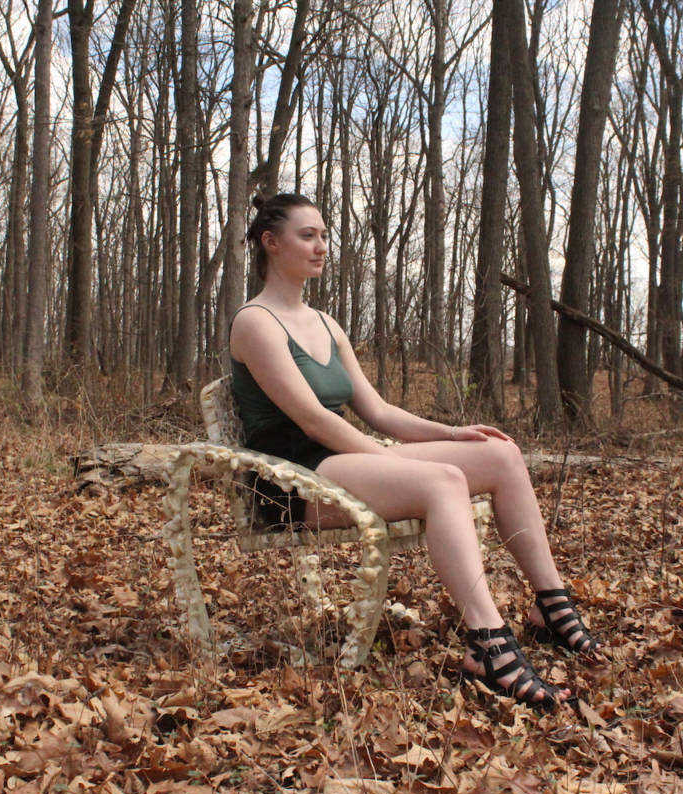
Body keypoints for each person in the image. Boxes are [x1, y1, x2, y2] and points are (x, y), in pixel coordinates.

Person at [229, 193, 600, 711]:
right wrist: (391, 458)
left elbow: (378, 411)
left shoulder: (327, 324)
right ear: (270, 243)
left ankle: (550, 605)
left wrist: (451, 432)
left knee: (500, 454)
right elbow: (312, 419)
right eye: (306, 235)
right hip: (291, 477)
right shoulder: (255, 322)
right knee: (443, 480)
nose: (320, 246)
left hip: (346, 460)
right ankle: (488, 644)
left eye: (323, 234)